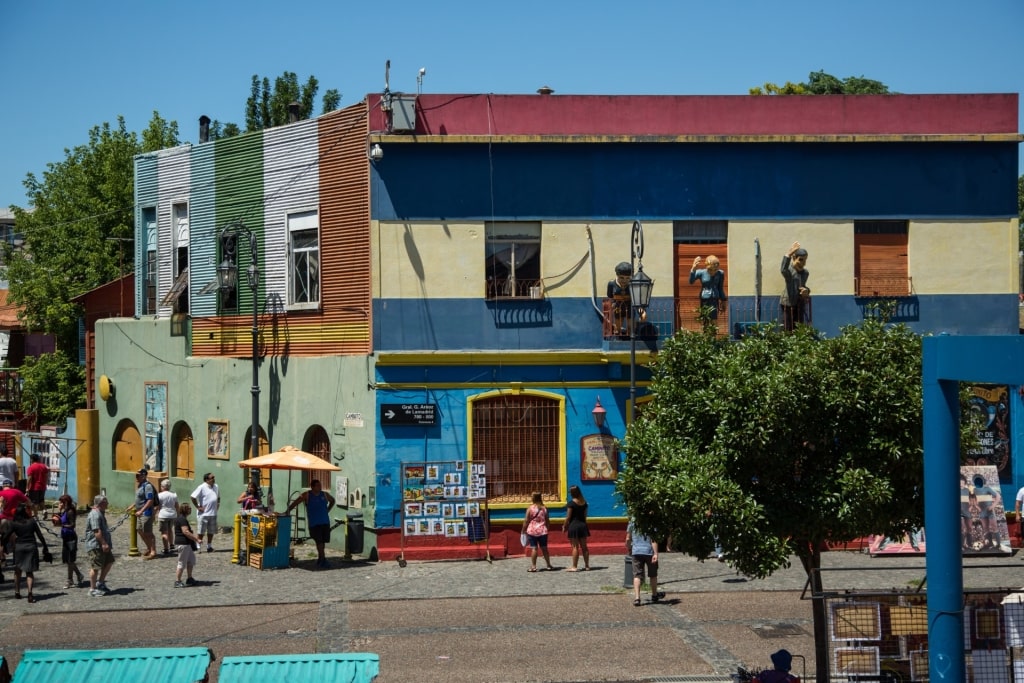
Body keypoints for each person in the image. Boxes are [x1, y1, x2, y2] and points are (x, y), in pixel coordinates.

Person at [1, 503, 51, 602]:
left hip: (19, 547)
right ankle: (30, 594)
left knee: (17, 571)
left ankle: (17, 592)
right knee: (29, 572)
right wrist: (45, 547)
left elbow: (6, 536)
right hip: (31, 546)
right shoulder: (32, 522)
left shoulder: (14, 524)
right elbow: (40, 535)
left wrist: (4, 546)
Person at [286, 479, 336, 569]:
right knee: (319, 541)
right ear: (312, 487)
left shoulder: (324, 494)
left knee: (322, 542)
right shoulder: (307, 495)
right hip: (314, 523)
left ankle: (321, 558)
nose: (320, 487)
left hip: (324, 521)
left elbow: (332, 500)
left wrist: (327, 510)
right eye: (317, 485)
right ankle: (323, 559)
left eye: (320, 485)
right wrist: (287, 511)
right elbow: (296, 502)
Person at [626, 519, 664, 606]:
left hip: (636, 551)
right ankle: (654, 595)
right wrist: (656, 553)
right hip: (649, 552)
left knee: (637, 575)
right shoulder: (651, 522)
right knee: (653, 575)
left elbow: (628, 538)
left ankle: (637, 598)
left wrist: (629, 548)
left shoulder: (632, 522)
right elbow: (653, 540)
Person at [84, 494, 114, 596]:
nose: (108, 504)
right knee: (95, 567)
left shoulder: (101, 513)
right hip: (96, 545)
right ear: (101, 503)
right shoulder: (95, 514)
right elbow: (97, 531)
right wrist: (104, 543)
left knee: (109, 562)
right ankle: (92, 589)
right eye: (106, 502)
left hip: (103, 544)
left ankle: (100, 583)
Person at [54, 494, 84, 589]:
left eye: (61, 502)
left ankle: (70, 580)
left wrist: (62, 525)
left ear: (66, 502)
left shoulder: (70, 512)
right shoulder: (64, 511)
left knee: (70, 560)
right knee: (67, 560)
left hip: (71, 537)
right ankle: (78, 575)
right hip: (65, 537)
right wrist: (59, 511)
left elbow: (72, 525)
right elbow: (59, 519)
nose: (60, 504)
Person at [779, 241, 810, 331]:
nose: (803, 263)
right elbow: (783, 269)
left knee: (799, 327)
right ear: (794, 258)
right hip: (788, 304)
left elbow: (804, 286)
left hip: (799, 304)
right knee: (787, 327)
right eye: (800, 259)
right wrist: (789, 253)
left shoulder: (805, 273)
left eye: (805, 260)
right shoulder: (790, 271)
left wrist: (806, 291)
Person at [521, 491, 555, 572]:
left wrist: (523, 530)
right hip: (543, 531)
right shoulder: (544, 508)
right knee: (544, 548)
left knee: (534, 548)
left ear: (534, 498)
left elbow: (526, 520)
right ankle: (548, 565)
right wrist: (547, 528)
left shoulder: (530, 508)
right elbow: (547, 520)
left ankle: (533, 566)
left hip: (532, 531)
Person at [561, 484, 591, 571]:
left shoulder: (571, 504)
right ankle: (587, 566)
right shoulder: (585, 503)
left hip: (574, 525)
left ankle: (574, 566)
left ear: (572, 493)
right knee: (584, 547)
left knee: (575, 547)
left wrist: (564, 526)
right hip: (583, 525)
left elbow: (568, 517)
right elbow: (585, 516)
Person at [173, 502, 202, 587]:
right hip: (183, 543)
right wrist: (197, 539)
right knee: (182, 562)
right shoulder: (182, 519)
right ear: (185, 509)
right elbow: (185, 531)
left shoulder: (183, 519)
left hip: (187, 544)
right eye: (189, 508)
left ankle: (189, 578)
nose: (190, 509)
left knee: (191, 561)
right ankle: (177, 581)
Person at [689, 255, 726, 321]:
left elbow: (720, 288)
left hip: (715, 300)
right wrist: (693, 269)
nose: (713, 272)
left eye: (715, 270)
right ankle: (706, 331)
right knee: (705, 319)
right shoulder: (701, 272)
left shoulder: (720, 273)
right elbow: (691, 281)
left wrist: (723, 301)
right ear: (706, 266)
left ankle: (713, 331)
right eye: (710, 270)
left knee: (714, 320)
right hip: (705, 299)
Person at [190, 472, 220, 553]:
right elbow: (193, 497)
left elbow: (218, 497)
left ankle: (209, 546)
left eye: (214, 477)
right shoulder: (201, 487)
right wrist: (198, 507)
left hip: (213, 513)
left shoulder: (216, 486)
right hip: (204, 514)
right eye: (212, 477)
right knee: (201, 531)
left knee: (211, 531)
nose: (214, 479)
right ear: (207, 479)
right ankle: (198, 546)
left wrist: (218, 504)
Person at [133, 468, 158, 558]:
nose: (136, 477)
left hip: (146, 513)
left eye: (138, 475)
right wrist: (132, 506)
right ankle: (149, 548)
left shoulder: (147, 486)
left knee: (148, 532)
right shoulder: (140, 485)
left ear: (143, 476)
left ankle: (153, 551)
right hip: (139, 512)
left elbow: (150, 500)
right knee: (140, 530)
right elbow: (140, 498)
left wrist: (141, 511)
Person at [606, 261, 634, 338]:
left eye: (627, 278)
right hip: (618, 307)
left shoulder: (633, 284)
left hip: (630, 306)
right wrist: (612, 303)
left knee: (630, 326)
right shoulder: (611, 284)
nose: (624, 280)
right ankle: (618, 337)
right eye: (621, 277)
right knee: (618, 325)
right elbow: (610, 296)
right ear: (617, 275)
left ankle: (630, 339)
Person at [156, 479, 179, 556]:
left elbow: (158, 506)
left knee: (164, 532)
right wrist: (178, 515)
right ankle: (171, 545)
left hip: (163, 515)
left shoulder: (159, 495)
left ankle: (166, 548)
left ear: (162, 487)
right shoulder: (174, 494)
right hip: (172, 515)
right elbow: (177, 506)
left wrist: (155, 514)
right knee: (170, 530)